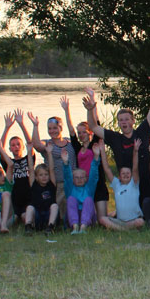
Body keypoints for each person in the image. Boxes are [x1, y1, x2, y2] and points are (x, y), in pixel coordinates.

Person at [83, 70, 150, 203]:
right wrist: (90, 110)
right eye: (121, 120)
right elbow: (93, 127)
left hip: (146, 181)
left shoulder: (143, 131)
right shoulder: (115, 138)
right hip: (126, 184)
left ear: (133, 121)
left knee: (148, 207)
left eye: (127, 119)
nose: (124, 122)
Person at [66, 95, 109, 223]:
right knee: (89, 220)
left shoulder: (95, 144)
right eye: (80, 133)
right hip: (84, 186)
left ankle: (114, 216)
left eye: (84, 132)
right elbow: (71, 131)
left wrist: (91, 106)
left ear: (90, 132)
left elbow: (95, 123)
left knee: (102, 220)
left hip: (98, 183)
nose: (81, 135)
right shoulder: (78, 148)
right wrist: (66, 110)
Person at [30, 107, 76, 220]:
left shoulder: (69, 141)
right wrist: (35, 126)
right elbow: (36, 144)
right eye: (49, 129)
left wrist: (66, 110)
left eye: (55, 128)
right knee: (58, 209)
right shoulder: (48, 144)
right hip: (57, 183)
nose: (52, 131)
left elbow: (73, 132)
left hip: (73, 181)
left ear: (61, 127)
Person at [97, 138, 145, 231]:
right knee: (102, 219)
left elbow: (135, 167)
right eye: (123, 173)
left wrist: (135, 151)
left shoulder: (134, 184)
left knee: (140, 222)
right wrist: (102, 150)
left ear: (131, 175)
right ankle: (125, 230)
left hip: (133, 220)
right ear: (119, 176)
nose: (126, 175)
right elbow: (107, 168)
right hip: (120, 221)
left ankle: (120, 230)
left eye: (128, 173)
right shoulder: (116, 185)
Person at [0, 108, 34, 224]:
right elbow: (1, 148)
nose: (16, 147)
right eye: (13, 145)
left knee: (25, 217)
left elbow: (30, 143)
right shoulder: (8, 162)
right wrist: (7, 127)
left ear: (22, 147)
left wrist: (22, 124)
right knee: (13, 219)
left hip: (28, 196)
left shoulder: (28, 159)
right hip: (14, 197)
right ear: (10, 149)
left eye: (18, 144)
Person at [62, 140, 103, 234]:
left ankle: (83, 227)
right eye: (76, 177)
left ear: (86, 179)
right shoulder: (70, 188)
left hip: (87, 217)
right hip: (73, 217)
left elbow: (94, 174)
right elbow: (67, 176)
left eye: (82, 177)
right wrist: (65, 162)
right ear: (73, 179)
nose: (79, 179)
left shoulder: (89, 188)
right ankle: (75, 227)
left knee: (88, 200)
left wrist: (96, 156)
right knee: (71, 199)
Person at [22, 143, 58, 235]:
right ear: (37, 177)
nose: (44, 177)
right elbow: (30, 168)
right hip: (38, 215)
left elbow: (52, 169)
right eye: (41, 175)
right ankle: (28, 227)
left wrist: (49, 153)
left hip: (48, 215)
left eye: (46, 175)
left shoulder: (51, 184)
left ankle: (50, 227)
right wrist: (29, 152)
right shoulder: (34, 184)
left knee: (54, 206)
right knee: (30, 207)